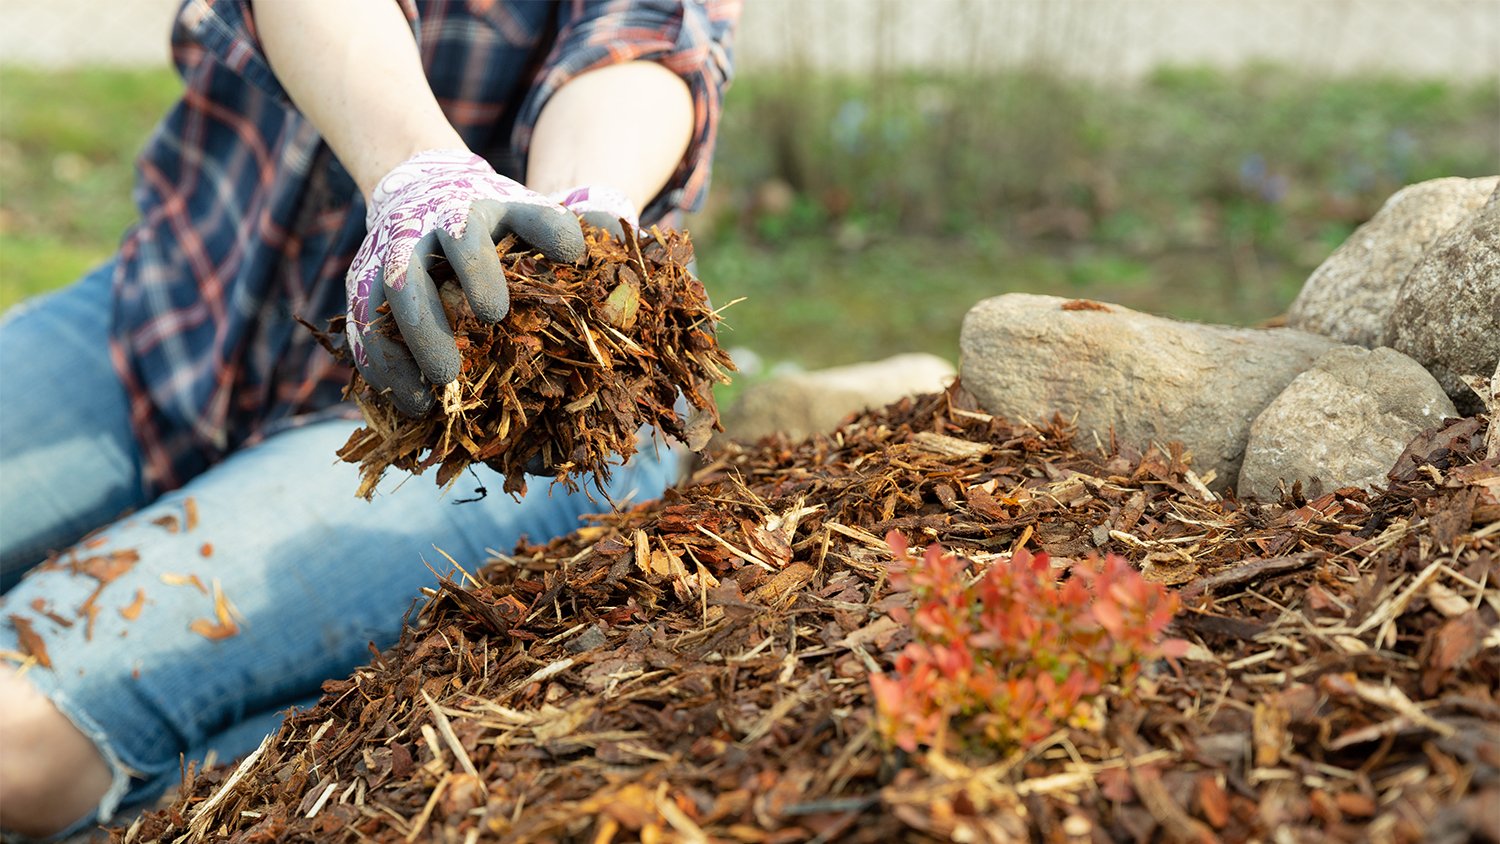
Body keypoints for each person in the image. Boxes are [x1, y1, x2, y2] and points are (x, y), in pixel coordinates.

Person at [0, 0, 739, 837]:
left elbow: (643, 40)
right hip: (181, 310)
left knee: (18, 743)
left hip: (475, 426)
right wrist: (418, 173)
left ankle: (293, 744)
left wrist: (582, 206)